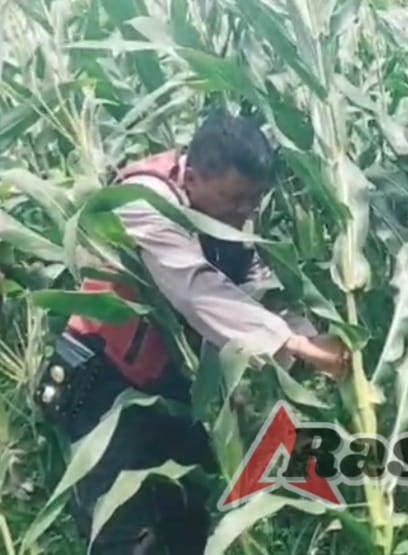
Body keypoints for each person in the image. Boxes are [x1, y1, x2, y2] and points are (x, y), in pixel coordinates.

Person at [35, 111, 352, 554]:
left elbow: (254, 283)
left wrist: (312, 337)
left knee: (188, 522)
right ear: (195, 176)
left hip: (174, 382)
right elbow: (195, 289)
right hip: (107, 381)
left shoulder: (230, 215)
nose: (245, 213)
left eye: (253, 201)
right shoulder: (144, 200)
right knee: (122, 532)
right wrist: (291, 342)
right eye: (235, 200)